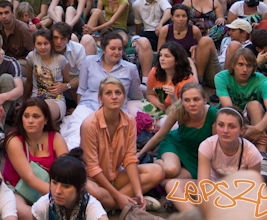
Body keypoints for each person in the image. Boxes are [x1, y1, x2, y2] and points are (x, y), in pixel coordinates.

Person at [80, 77, 164, 211]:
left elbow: (130, 158)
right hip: (94, 180)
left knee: (157, 171)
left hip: (115, 176)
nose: (114, 97)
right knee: (93, 191)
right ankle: (124, 203)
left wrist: (138, 191)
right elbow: (92, 168)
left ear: (124, 97)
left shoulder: (130, 121)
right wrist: (117, 195)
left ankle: (122, 202)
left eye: (118, 93)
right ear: (100, 98)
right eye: (108, 93)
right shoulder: (89, 125)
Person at [214, 47, 267, 181]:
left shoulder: (262, 80)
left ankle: (262, 156)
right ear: (233, 65)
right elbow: (228, 107)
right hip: (230, 118)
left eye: (249, 66)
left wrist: (257, 129)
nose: (244, 70)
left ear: (254, 67)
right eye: (240, 64)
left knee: (254, 105)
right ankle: (230, 155)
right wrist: (244, 130)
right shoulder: (221, 77)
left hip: (254, 120)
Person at [2, 98, 69, 219]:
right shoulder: (14, 140)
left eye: (36, 116)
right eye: (26, 116)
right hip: (17, 190)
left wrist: (66, 193)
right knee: (18, 209)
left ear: (46, 120)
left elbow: (68, 168)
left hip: (50, 188)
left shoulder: (55, 137)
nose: (30, 121)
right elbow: (29, 178)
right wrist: (60, 196)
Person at [138, 82, 216, 184]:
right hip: (176, 144)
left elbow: (216, 146)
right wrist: (140, 154)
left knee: (169, 181)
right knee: (171, 170)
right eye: (187, 100)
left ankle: (150, 177)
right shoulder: (178, 110)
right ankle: (146, 165)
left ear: (204, 100)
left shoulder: (214, 115)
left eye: (196, 99)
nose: (192, 104)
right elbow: (160, 135)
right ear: (182, 102)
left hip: (198, 157)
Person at [30, 148, 108, 220]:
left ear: (81, 187)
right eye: (54, 183)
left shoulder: (92, 208)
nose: (57, 191)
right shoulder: (43, 206)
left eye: (66, 186)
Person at [25, 30, 70, 123]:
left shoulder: (61, 59)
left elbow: (67, 82)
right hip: (36, 98)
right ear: (34, 45)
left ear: (51, 44)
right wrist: (24, 102)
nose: (43, 47)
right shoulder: (32, 57)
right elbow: (29, 81)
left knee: (42, 112)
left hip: (56, 100)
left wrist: (77, 106)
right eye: (39, 44)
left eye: (46, 43)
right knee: (32, 114)